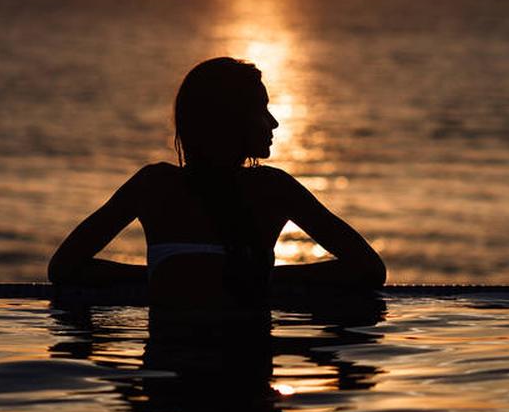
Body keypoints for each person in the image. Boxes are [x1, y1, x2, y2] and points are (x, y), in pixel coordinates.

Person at [48, 57, 386, 310]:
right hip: (249, 396)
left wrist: (163, 277)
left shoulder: (153, 185)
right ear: (231, 120)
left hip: (170, 395)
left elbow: (65, 267)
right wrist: (260, 277)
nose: (274, 122)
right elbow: (368, 270)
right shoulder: (274, 189)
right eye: (261, 110)